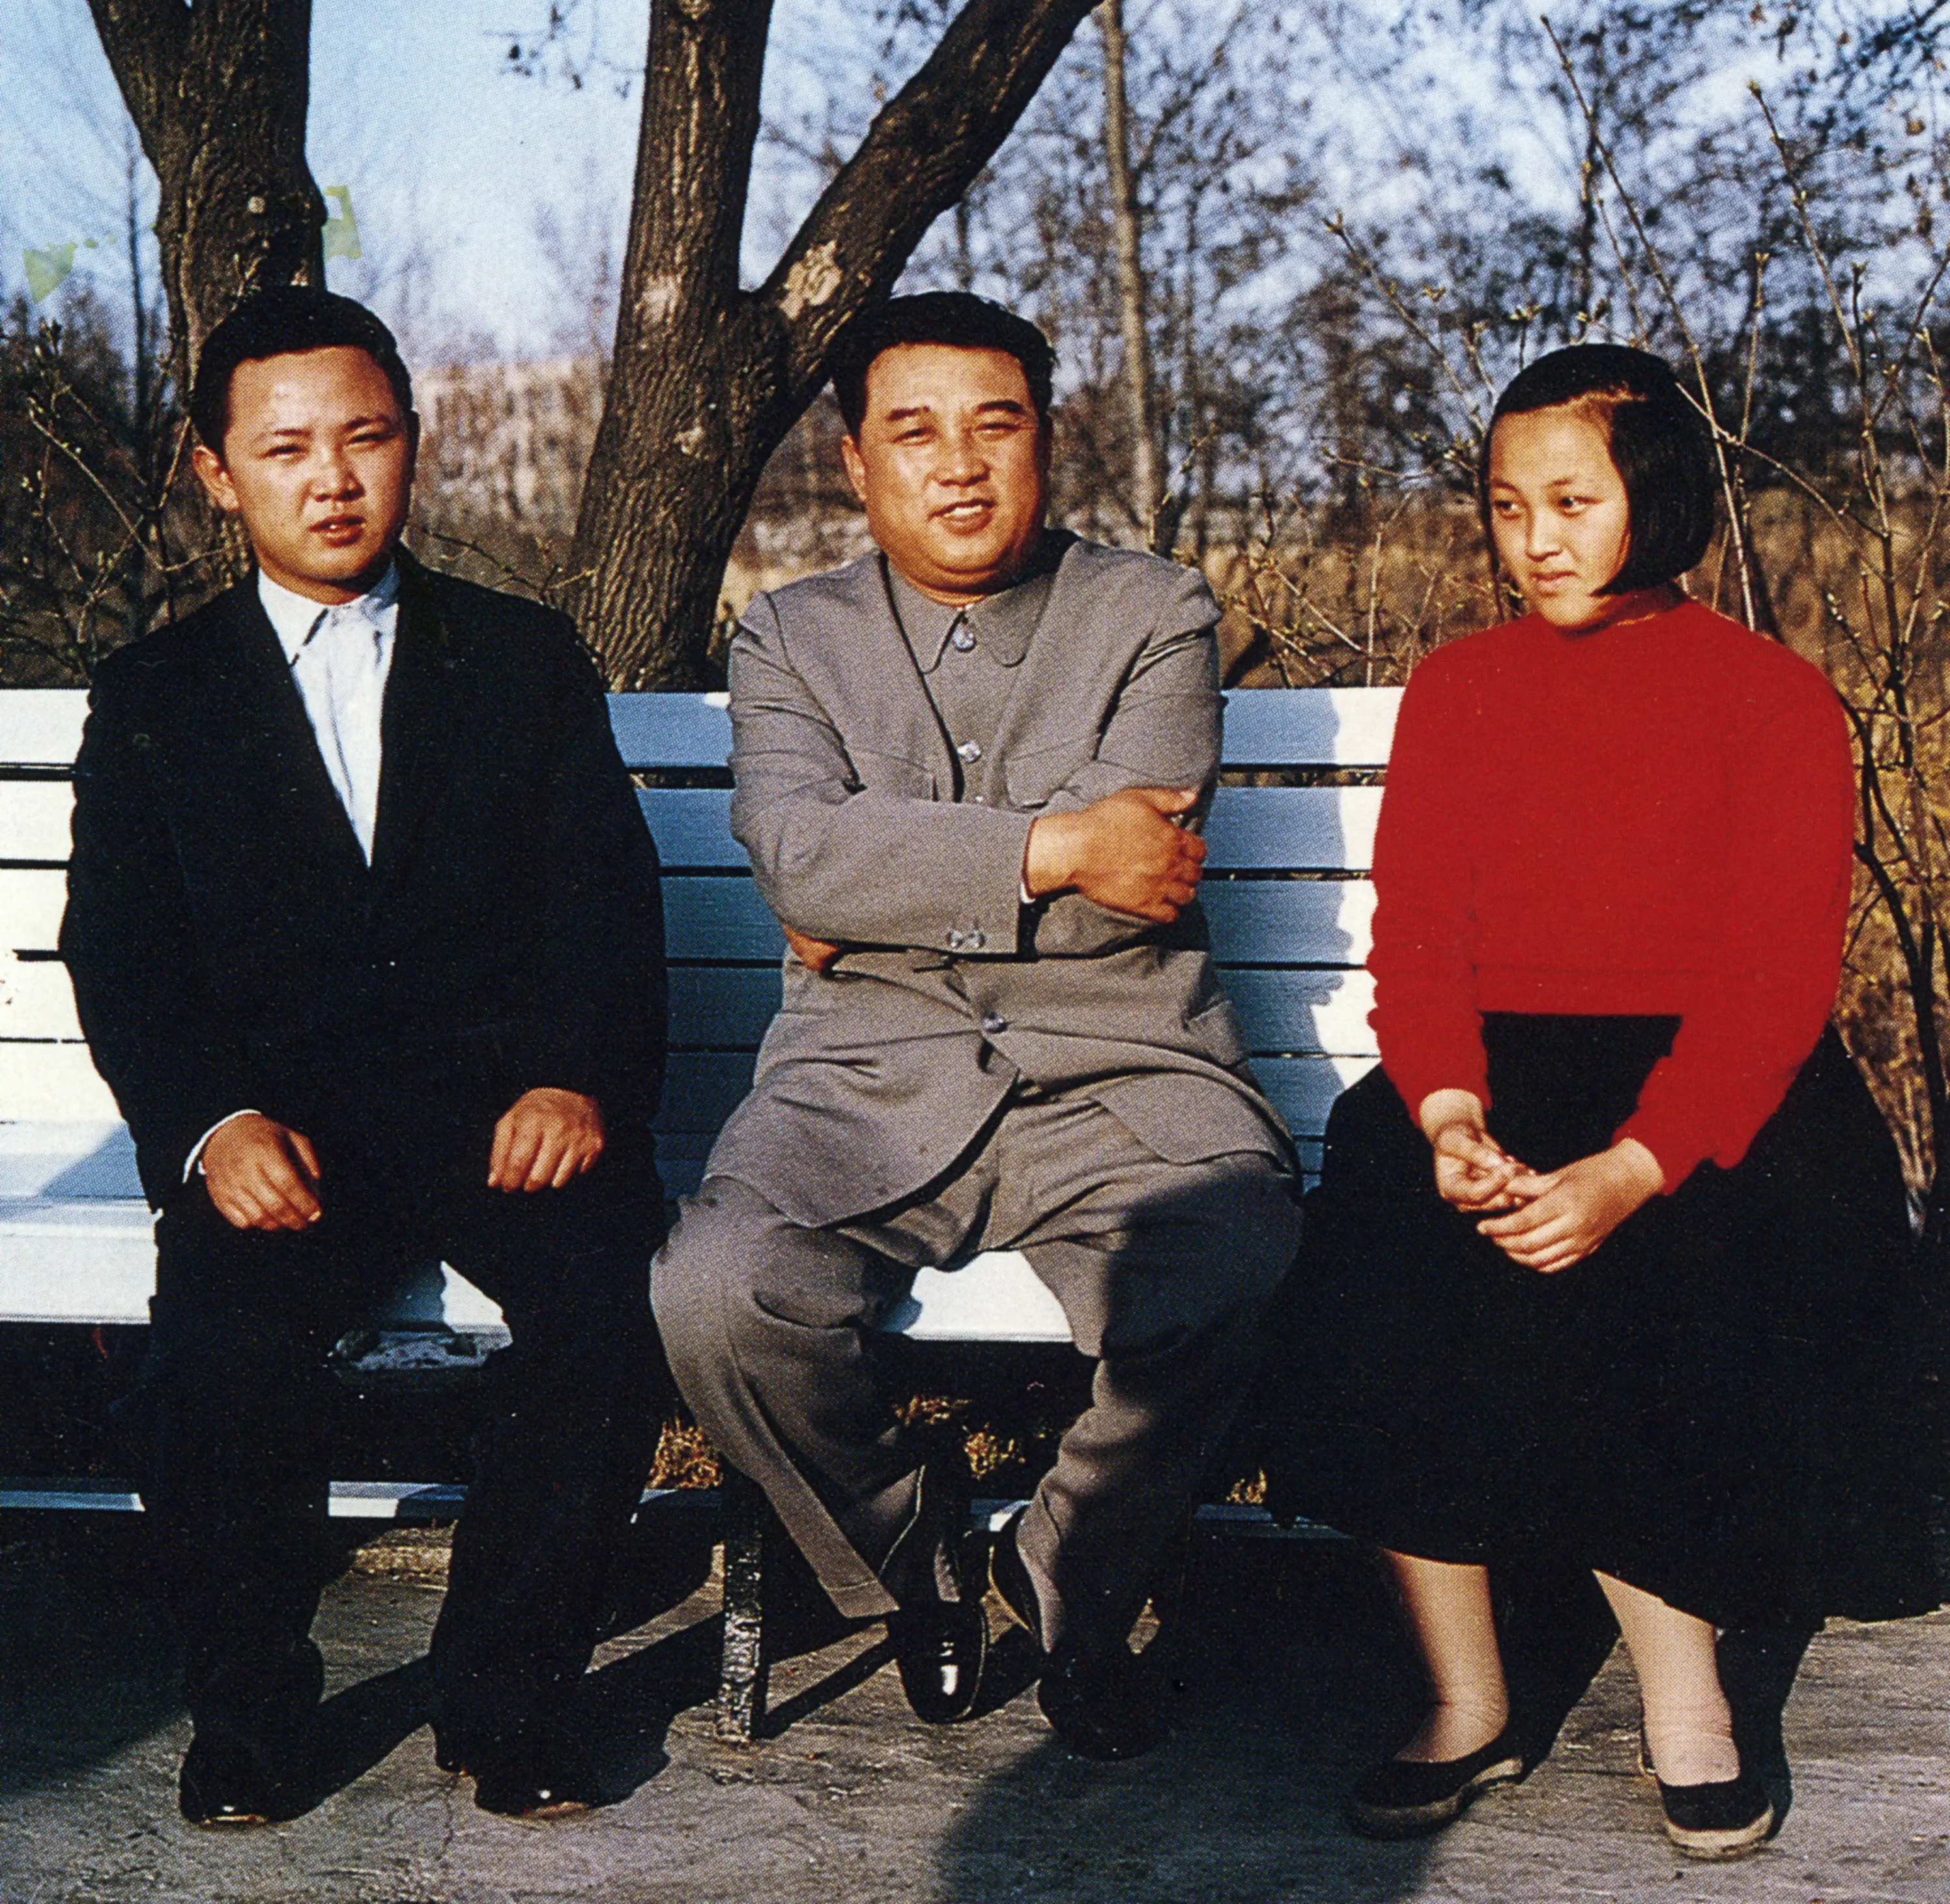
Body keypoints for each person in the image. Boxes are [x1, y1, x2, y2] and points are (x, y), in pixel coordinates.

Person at [1268, 343, 1938, 1858]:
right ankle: (1465, 1699)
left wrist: (1632, 1169)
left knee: (1667, 1269)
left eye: (1570, 499)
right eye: (1506, 508)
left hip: (1705, 1087)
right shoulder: (1459, 688)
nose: (1536, 539)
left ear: (1658, 493)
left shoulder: (1767, 699)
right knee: (1382, 1220)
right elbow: (1419, 935)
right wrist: (1443, 1112)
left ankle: (1685, 1701)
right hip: (1492, 1068)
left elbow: (1773, 984)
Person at [652, 291, 1300, 1761]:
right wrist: (1052, 848)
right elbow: (795, 853)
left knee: (1234, 1254)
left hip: (1118, 1070)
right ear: (854, 466)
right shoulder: (789, 637)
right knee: (713, 1291)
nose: (958, 466)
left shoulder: (1154, 612)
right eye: (914, 433)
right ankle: (909, 1558)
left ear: (1046, 441)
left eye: (993, 425)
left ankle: (1063, 1565)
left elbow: (1132, 891)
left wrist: (876, 876)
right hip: (859, 1078)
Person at [60, 286, 668, 1826]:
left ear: (411, 447)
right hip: (291, 1139)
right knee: (207, 1362)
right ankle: (249, 1713)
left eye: (366, 438)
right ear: (216, 472)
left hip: (496, 1118)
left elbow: (601, 903)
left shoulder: (519, 661)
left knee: (606, 1305)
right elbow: (122, 955)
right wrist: (209, 1122)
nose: (331, 479)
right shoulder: (156, 699)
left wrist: (570, 1075)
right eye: (284, 449)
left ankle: (508, 1700)